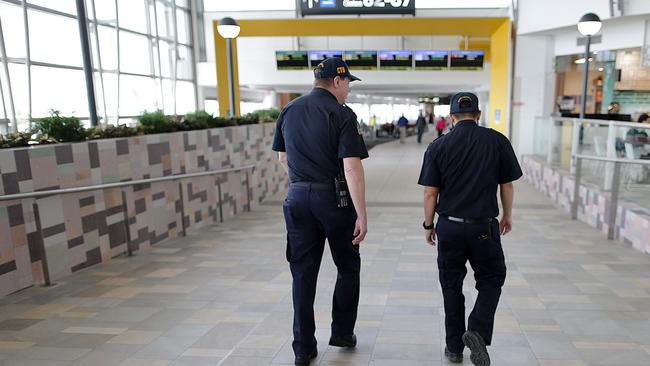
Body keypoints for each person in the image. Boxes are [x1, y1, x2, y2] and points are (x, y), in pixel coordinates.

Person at [272, 57, 369, 366]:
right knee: (347, 266)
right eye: (348, 84)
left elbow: (283, 158)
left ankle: (303, 347)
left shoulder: (289, 110)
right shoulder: (341, 114)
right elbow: (351, 168)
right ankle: (341, 332)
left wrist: (304, 181)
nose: (349, 91)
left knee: (302, 274)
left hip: (297, 199)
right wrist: (361, 214)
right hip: (335, 200)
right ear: (337, 82)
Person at [418, 92, 522, 366]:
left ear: (452, 118)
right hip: (484, 228)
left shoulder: (438, 146)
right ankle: (476, 329)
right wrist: (507, 215)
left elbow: (431, 193)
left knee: (451, 285)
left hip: (450, 227)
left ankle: (453, 348)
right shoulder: (497, 141)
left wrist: (429, 224)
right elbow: (507, 185)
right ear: (478, 115)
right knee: (491, 279)